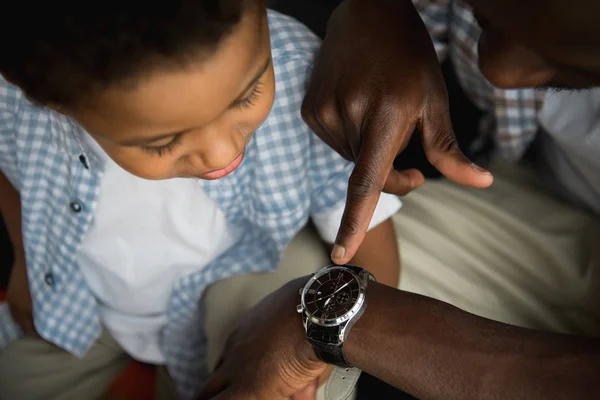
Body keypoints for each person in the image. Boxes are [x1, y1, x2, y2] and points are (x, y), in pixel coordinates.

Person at [197, 0, 600, 398]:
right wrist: (379, 10)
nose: (501, 71)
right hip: (551, 212)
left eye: (578, 60)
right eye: (488, 18)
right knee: (259, 294)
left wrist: (344, 323)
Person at [0, 2, 402, 399]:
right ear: (53, 103)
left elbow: (366, 237)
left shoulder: (304, 73)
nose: (222, 154)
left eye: (247, 96)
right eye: (163, 141)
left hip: (246, 302)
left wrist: (327, 351)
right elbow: (10, 170)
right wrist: (25, 259)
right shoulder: (17, 103)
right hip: (84, 301)